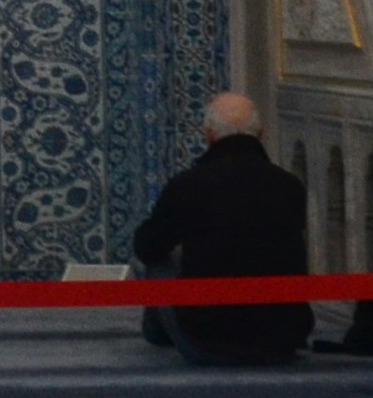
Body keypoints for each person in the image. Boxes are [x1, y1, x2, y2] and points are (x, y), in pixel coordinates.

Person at [131, 90, 314, 367]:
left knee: (154, 261)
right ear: (261, 133)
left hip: (209, 342)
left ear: (210, 135)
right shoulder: (289, 185)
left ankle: (159, 334)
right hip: (283, 341)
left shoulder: (189, 185)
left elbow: (147, 247)